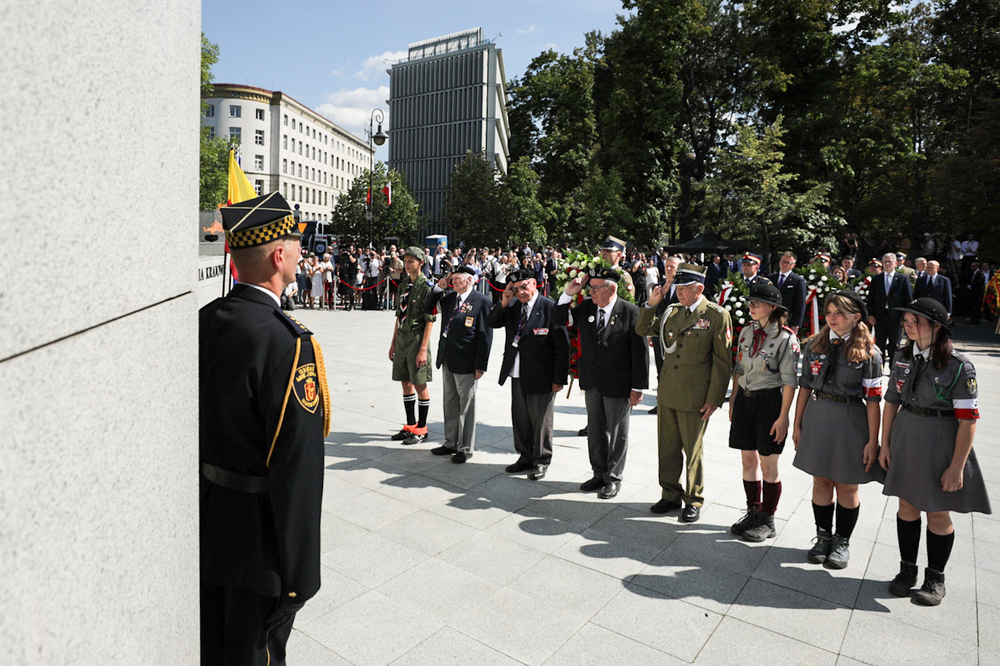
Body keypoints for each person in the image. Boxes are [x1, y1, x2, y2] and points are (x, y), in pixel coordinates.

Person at [201, 192, 329, 665]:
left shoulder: (206, 319)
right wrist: (299, 574)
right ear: (279, 255)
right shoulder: (286, 341)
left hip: (208, 523)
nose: (301, 254)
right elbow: (297, 466)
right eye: (296, 246)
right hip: (259, 547)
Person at [880, 298, 990, 605]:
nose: (908, 325)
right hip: (907, 438)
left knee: (938, 513)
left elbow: (968, 421)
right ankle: (907, 571)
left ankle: (935, 577)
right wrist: (884, 444)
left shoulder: (959, 366)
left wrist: (957, 466)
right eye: (906, 320)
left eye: (916, 321)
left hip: (941, 442)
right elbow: (891, 401)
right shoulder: (902, 356)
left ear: (937, 326)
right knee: (906, 507)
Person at [792, 290, 884, 569]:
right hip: (819, 416)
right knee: (820, 481)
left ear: (856, 317)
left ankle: (842, 541)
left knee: (846, 485)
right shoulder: (815, 344)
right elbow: (805, 386)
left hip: (850, 420)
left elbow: (873, 401)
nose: (832, 317)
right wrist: (797, 423)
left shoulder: (869, 352)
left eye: (839, 313)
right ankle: (823, 537)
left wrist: (872, 440)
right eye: (829, 312)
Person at [636, 264, 732, 523]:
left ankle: (693, 499)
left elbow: (723, 362)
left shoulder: (716, 315)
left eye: (685, 288)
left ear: (699, 288)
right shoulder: (671, 311)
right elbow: (643, 330)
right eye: (677, 287)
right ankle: (669, 494)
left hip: (695, 396)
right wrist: (650, 305)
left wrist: (714, 399)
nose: (678, 292)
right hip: (668, 392)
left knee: (692, 451)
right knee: (666, 448)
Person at [554, 267, 648, 499]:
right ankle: (599, 473)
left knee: (617, 432)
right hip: (592, 380)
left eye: (596, 288)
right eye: (590, 288)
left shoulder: (630, 312)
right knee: (595, 430)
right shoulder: (586, 307)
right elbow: (558, 320)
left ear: (612, 288)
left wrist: (638, 387)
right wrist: (568, 293)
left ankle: (613, 478)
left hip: (619, 383)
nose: (592, 292)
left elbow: (640, 352)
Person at [728, 282, 800, 542]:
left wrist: (783, 418)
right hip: (746, 402)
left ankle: (768, 519)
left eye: (756, 303)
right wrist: (734, 400)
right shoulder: (747, 331)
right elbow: (738, 369)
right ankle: (753, 511)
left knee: (769, 465)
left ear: (772, 307)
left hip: (769, 404)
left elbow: (790, 381)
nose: (751, 307)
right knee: (748, 460)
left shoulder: (786, 338)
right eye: (750, 302)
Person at [490, 269, 569, 480]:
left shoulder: (549, 307)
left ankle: (541, 460)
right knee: (520, 418)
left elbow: (562, 346)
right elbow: (493, 321)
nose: (520, 292)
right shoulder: (514, 306)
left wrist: (559, 378)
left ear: (534, 283)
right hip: (517, 371)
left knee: (541, 421)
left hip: (542, 374)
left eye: (524, 287)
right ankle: (524, 456)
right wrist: (505, 300)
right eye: (515, 289)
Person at [427, 266, 494, 462]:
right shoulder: (449, 299)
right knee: (450, 402)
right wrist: (438, 289)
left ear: (469, 280)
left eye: (457, 279)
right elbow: (428, 309)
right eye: (452, 279)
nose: (453, 282)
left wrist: (481, 364)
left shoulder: (482, 301)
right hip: (448, 357)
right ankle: (450, 442)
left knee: (466, 405)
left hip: (467, 359)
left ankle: (465, 448)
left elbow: (485, 335)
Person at [389, 247, 437, 445]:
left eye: (411, 261)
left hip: (417, 340)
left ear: (421, 263)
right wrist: (393, 343)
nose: (407, 265)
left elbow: (430, 320)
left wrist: (423, 349)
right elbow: (399, 317)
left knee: (419, 382)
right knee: (405, 381)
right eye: (405, 261)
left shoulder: (427, 288)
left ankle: (422, 428)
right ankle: (410, 425)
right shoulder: (403, 286)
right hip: (402, 338)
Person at [866, 252, 913, 366]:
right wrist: (870, 314)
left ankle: (893, 367)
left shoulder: (902, 279)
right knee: (879, 343)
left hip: (896, 317)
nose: (887, 264)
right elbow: (871, 298)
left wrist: (906, 317)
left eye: (890, 262)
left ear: (895, 263)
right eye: (885, 262)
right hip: (879, 316)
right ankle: (879, 366)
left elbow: (908, 299)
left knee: (894, 344)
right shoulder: (876, 279)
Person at [768, 251, 808, 334]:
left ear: (793, 265)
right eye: (783, 261)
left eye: (788, 263)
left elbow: (800, 304)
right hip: (770, 317)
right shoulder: (771, 277)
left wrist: (796, 324)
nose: (785, 264)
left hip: (788, 319)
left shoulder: (798, 281)